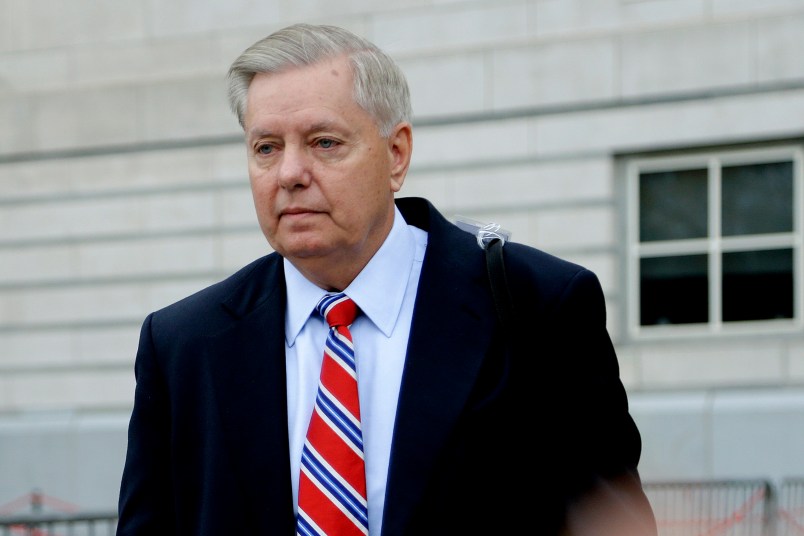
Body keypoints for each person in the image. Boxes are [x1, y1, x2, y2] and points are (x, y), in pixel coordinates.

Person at [116, 22, 657, 535]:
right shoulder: (184, 344)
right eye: (266, 148)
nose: (289, 174)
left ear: (396, 155)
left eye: (324, 142)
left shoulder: (536, 306)